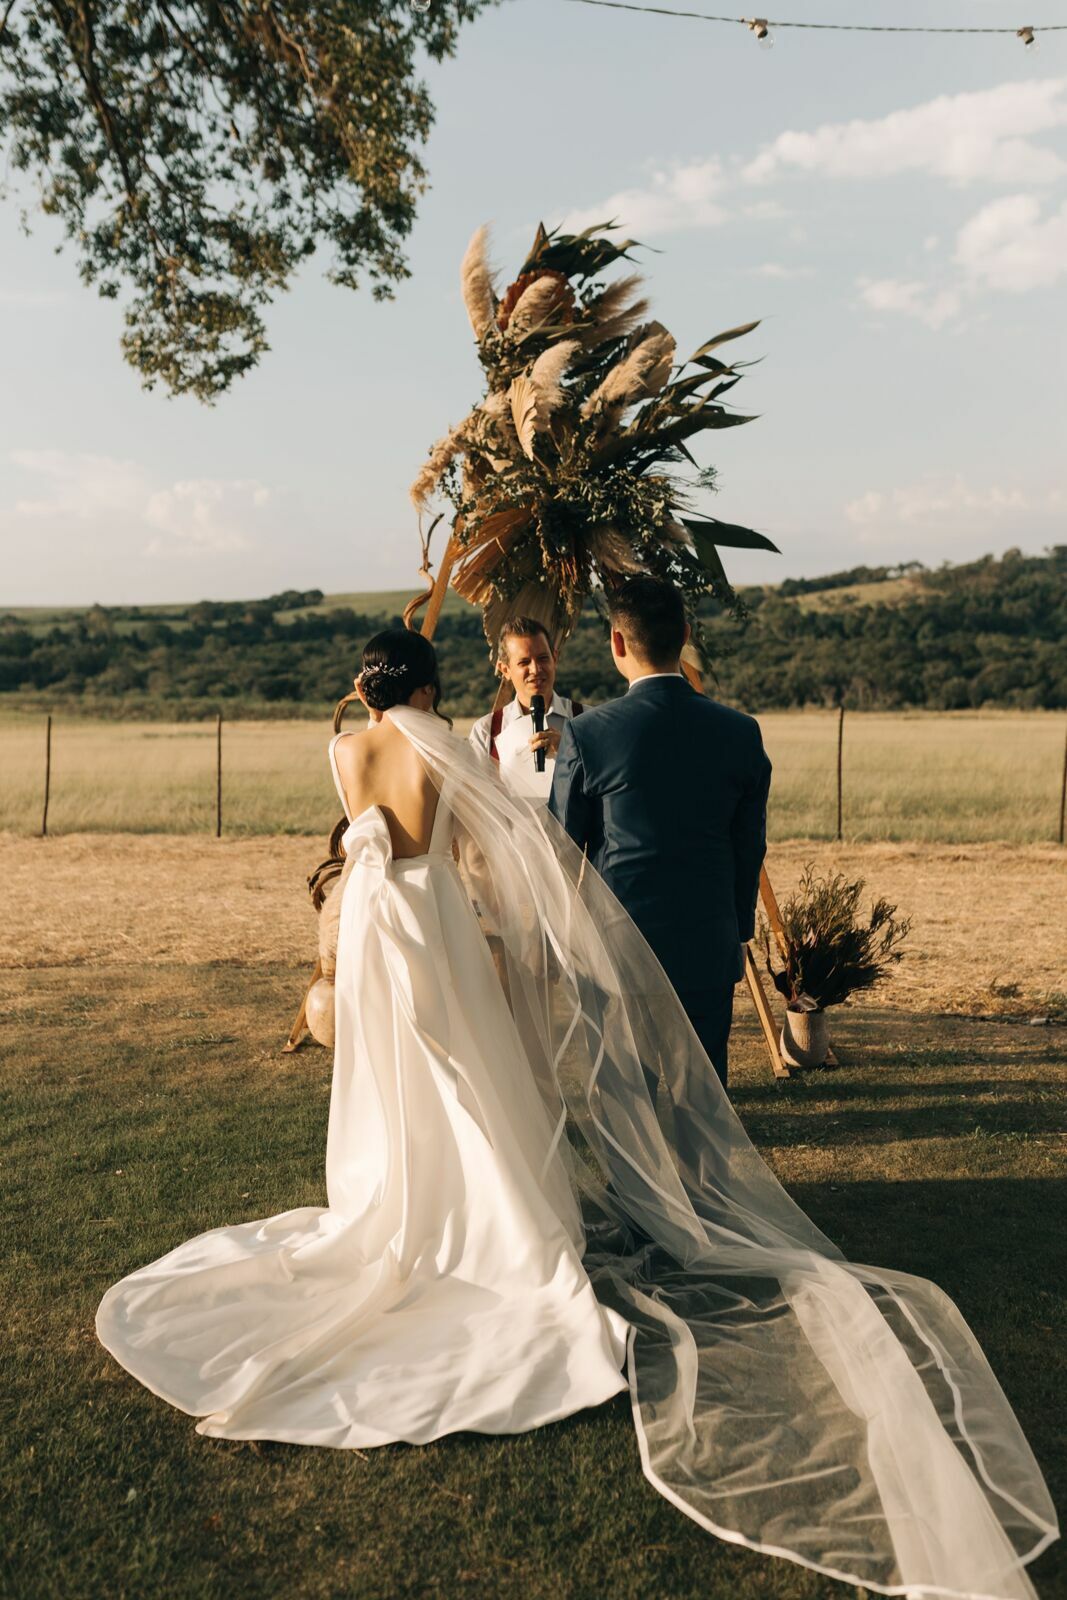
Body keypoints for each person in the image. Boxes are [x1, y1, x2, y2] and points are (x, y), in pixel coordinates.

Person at [95, 628, 1055, 1600]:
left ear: (366, 685)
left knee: (393, 1074)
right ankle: (489, 1215)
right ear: (429, 684)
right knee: (468, 1071)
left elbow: (361, 831)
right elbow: (471, 844)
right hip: (429, 918)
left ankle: (395, 1200)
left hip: (377, 918)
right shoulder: (449, 742)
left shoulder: (344, 748)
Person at [549, 575, 769, 1091]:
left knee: (626, 1093)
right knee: (704, 1092)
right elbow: (749, 846)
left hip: (620, 943)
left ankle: (632, 1176)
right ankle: (700, 1175)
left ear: (617, 643)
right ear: (685, 633)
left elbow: (560, 849)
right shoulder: (741, 732)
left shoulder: (588, 733)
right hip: (708, 936)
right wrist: (738, 931)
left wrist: (569, 937)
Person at [469, 616, 582, 800]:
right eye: (524, 662)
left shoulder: (587, 719)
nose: (536, 669)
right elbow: (476, 803)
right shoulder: (485, 732)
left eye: (543, 658)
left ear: (555, 658)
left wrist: (571, 751)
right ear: (504, 669)